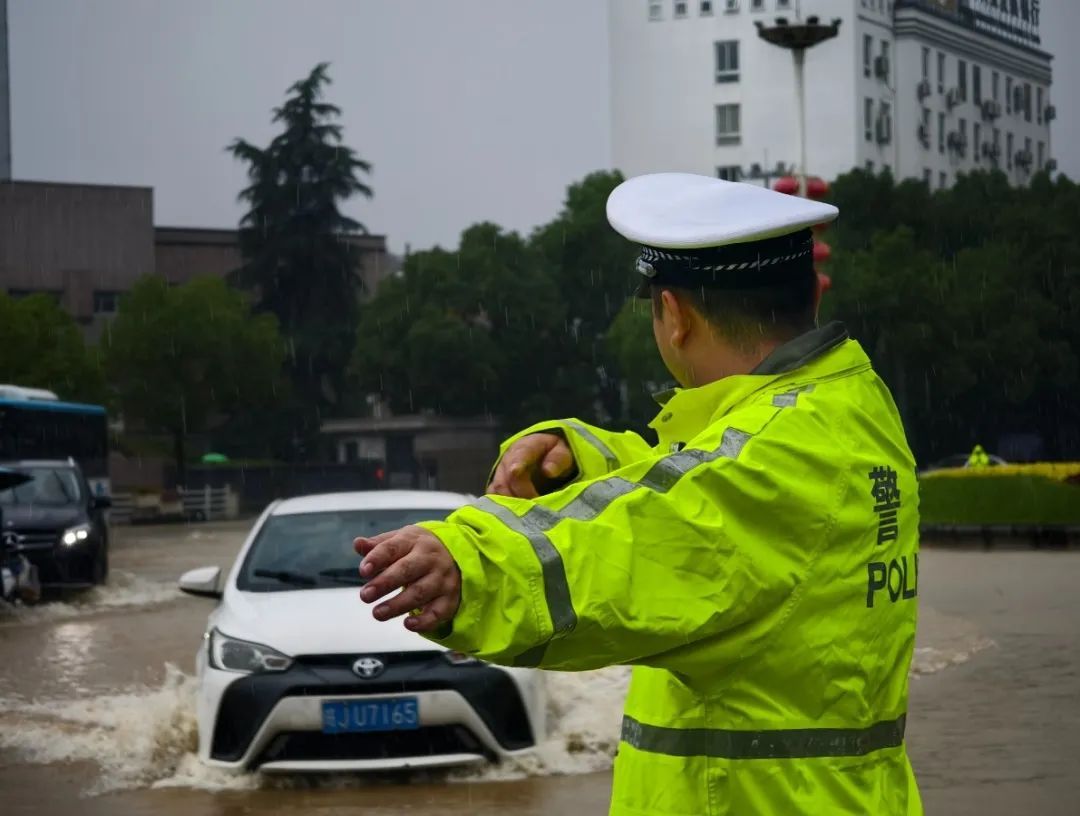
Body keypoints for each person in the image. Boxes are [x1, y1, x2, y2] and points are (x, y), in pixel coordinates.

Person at [355, 173, 923, 815]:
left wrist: (469, 563)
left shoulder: (778, 459)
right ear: (806, 297)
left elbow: (648, 535)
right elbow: (692, 478)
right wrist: (577, 457)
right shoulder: (843, 401)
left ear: (675, 317)